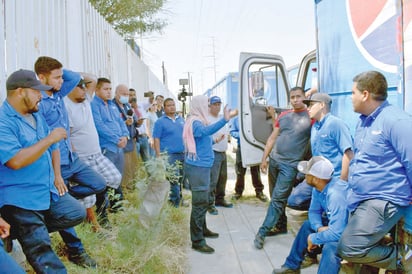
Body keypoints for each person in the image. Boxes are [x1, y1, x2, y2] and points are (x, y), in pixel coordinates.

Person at [0, 69, 86, 273]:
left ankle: (22, 231)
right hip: (20, 198)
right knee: (43, 252)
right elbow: (15, 161)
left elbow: (53, 146)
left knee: (75, 212)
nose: (41, 95)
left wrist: (56, 176)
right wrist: (49, 139)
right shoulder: (4, 122)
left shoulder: (35, 115)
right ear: (20, 91)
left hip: (45, 190)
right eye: (36, 90)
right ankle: (29, 233)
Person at [337, 71, 412, 272]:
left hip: (383, 200)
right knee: (364, 263)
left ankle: (401, 259)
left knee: (350, 248)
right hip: (362, 199)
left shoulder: (396, 121)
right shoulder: (364, 121)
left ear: (365, 94)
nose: (350, 97)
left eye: (353, 92)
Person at [35, 56, 102, 267]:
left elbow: (76, 78)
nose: (62, 81)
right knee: (67, 213)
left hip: (72, 159)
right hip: (55, 163)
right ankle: (76, 251)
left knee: (98, 184)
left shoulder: (59, 92)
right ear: (41, 77)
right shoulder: (39, 102)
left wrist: (60, 73)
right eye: (56, 78)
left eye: (61, 77)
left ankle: (65, 197)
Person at [254, 86, 312, 249]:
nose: (295, 100)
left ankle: (262, 232)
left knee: (278, 199)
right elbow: (273, 137)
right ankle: (280, 226)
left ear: (304, 98)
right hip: (274, 161)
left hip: (290, 166)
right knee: (274, 197)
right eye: (292, 97)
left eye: (298, 96)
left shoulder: (311, 116)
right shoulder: (284, 115)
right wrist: (264, 158)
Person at [272, 156, 349, 274]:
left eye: (307, 173)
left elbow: (338, 232)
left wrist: (313, 238)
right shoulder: (318, 188)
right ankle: (292, 267)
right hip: (335, 225)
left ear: (316, 179)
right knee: (307, 225)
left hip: (350, 231)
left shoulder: (336, 194)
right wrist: (318, 228)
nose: (304, 176)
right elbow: (314, 211)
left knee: (331, 247)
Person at [64, 76, 122, 229]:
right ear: (70, 88)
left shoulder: (86, 100)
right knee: (89, 196)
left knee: (113, 178)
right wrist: (75, 159)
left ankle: (71, 194)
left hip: (96, 154)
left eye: (85, 86)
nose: (84, 89)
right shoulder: (66, 106)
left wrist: (79, 78)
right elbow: (67, 137)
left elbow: (92, 79)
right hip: (82, 158)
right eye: (80, 87)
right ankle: (94, 223)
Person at [183, 95, 237, 254]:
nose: (208, 107)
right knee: (200, 203)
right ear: (199, 105)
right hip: (198, 168)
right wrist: (224, 120)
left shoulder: (197, 120)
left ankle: (203, 229)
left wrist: (214, 141)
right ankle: (197, 241)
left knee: (203, 201)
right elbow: (204, 131)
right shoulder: (195, 122)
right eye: (206, 104)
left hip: (202, 166)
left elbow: (202, 139)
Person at [91, 77, 129, 208]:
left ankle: (116, 205)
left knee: (117, 176)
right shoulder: (94, 105)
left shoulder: (112, 105)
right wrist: (116, 139)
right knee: (107, 178)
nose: (109, 92)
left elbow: (120, 122)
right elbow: (99, 126)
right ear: (97, 90)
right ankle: (110, 206)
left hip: (119, 147)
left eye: (110, 89)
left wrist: (125, 136)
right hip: (107, 147)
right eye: (105, 89)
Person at [153, 98, 185, 207]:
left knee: (180, 179)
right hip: (169, 155)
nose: (172, 107)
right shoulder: (160, 122)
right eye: (169, 105)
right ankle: (174, 203)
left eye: (173, 105)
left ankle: (180, 199)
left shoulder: (180, 119)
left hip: (182, 153)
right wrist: (158, 155)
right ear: (164, 107)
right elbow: (156, 139)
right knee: (173, 179)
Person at [229, 116, 268, 202]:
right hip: (242, 147)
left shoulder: (254, 118)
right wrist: (243, 135)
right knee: (240, 171)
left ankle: (259, 191)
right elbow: (232, 132)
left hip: (253, 147)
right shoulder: (236, 119)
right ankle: (238, 192)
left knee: (255, 170)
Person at [207, 96, 233, 216]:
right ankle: (210, 204)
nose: (217, 106)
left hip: (223, 152)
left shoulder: (223, 118)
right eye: (215, 104)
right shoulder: (207, 119)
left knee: (223, 178)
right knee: (213, 180)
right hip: (214, 151)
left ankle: (220, 199)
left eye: (219, 104)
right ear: (210, 106)